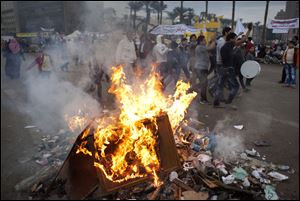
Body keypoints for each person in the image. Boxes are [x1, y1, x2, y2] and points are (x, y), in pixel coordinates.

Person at [213, 32, 240, 107]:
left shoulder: (225, 46)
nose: (236, 40)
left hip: (223, 68)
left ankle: (216, 102)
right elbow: (239, 42)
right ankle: (229, 100)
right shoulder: (229, 46)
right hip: (229, 69)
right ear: (231, 39)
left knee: (220, 86)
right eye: (235, 38)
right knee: (236, 86)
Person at [192, 35, 216, 104]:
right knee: (204, 84)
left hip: (202, 68)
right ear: (201, 41)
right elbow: (210, 48)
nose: (205, 41)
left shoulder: (202, 47)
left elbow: (207, 47)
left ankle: (201, 96)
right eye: (204, 40)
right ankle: (203, 99)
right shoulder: (199, 47)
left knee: (204, 83)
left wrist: (210, 41)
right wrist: (213, 41)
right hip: (200, 68)